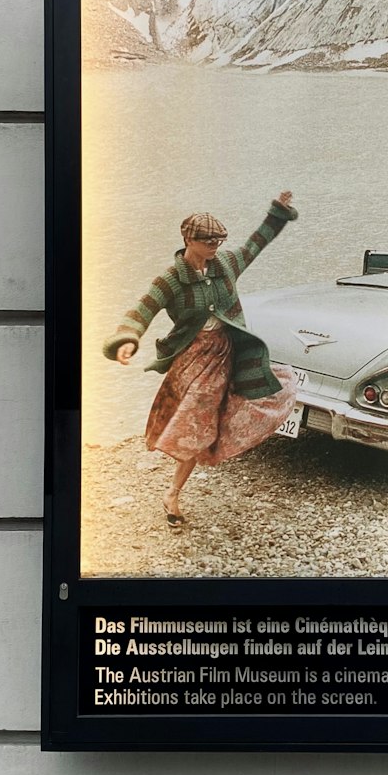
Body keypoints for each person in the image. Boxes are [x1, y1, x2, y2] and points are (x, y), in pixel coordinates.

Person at [104, 192, 300, 528]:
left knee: (280, 384)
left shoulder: (227, 265)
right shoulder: (171, 279)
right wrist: (127, 340)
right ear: (187, 240)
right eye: (207, 240)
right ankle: (174, 492)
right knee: (197, 424)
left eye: (219, 240)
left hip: (229, 353)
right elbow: (142, 310)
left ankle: (181, 482)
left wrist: (278, 211)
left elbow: (257, 241)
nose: (214, 245)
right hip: (193, 360)